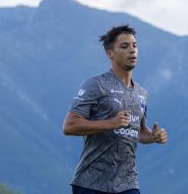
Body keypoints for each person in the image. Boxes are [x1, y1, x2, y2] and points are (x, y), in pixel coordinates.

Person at [63, 25, 167, 194]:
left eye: (135, 45)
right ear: (110, 53)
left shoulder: (142, 93)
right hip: (91, 183)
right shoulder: (96, 85)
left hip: (128, 183)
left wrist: (153, 136)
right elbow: (70, 126)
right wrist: (110, 123)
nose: (132, 50)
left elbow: (139, 132)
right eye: (124, 46)